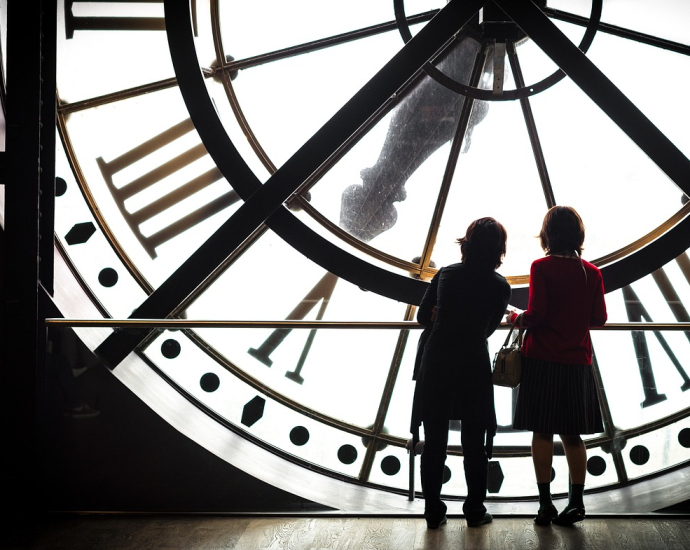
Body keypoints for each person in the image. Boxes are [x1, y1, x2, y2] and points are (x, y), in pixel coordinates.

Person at [508, 205, 607, 526]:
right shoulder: (592, 273)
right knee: (573, 436)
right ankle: (576, 502)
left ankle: (545, 504)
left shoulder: (541, 267)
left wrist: (514, 318)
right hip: (577, 361)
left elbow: (535, 314)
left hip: (542, 360)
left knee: (542, 433)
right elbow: (599, 319)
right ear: (578, 235)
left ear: (548, 234)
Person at [411, 217, 511, 529]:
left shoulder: (446, 274)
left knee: (435, 439)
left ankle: (432, 510)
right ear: (498, 251)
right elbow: (488, 329)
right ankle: (474, 509)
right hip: (473, 363)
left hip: (438, 359)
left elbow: (421, 319)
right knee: (475, 442)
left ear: (466, 244)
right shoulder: (500, 287)